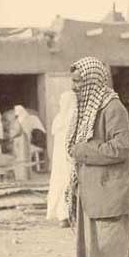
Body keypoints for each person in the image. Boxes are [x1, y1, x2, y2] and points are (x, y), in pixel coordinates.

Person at [64, 56, 129, 257]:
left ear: (93, 81)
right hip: (92, 191)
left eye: (79, 81)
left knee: (111, 247)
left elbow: (121, 148)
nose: (74, 87)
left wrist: (84, 151)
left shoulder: (113, 109)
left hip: (109, 191)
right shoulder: (88, 109)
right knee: (93, 248)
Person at [47, 91, 77, 227]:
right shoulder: (73, 116)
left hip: (59, 158)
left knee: (61, 183)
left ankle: (63, 216)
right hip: (68, 156)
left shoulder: (59, 118)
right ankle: (68, 215)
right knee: (69, 182)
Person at [11, 105, 46, 180]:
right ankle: (24, 175)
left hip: (21, 140)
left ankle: (21, 176)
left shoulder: (22, 120)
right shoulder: (24, 118)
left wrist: (12, 137)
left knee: (20, 157)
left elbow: (19, 131)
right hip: (24, 140)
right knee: (23, 157)